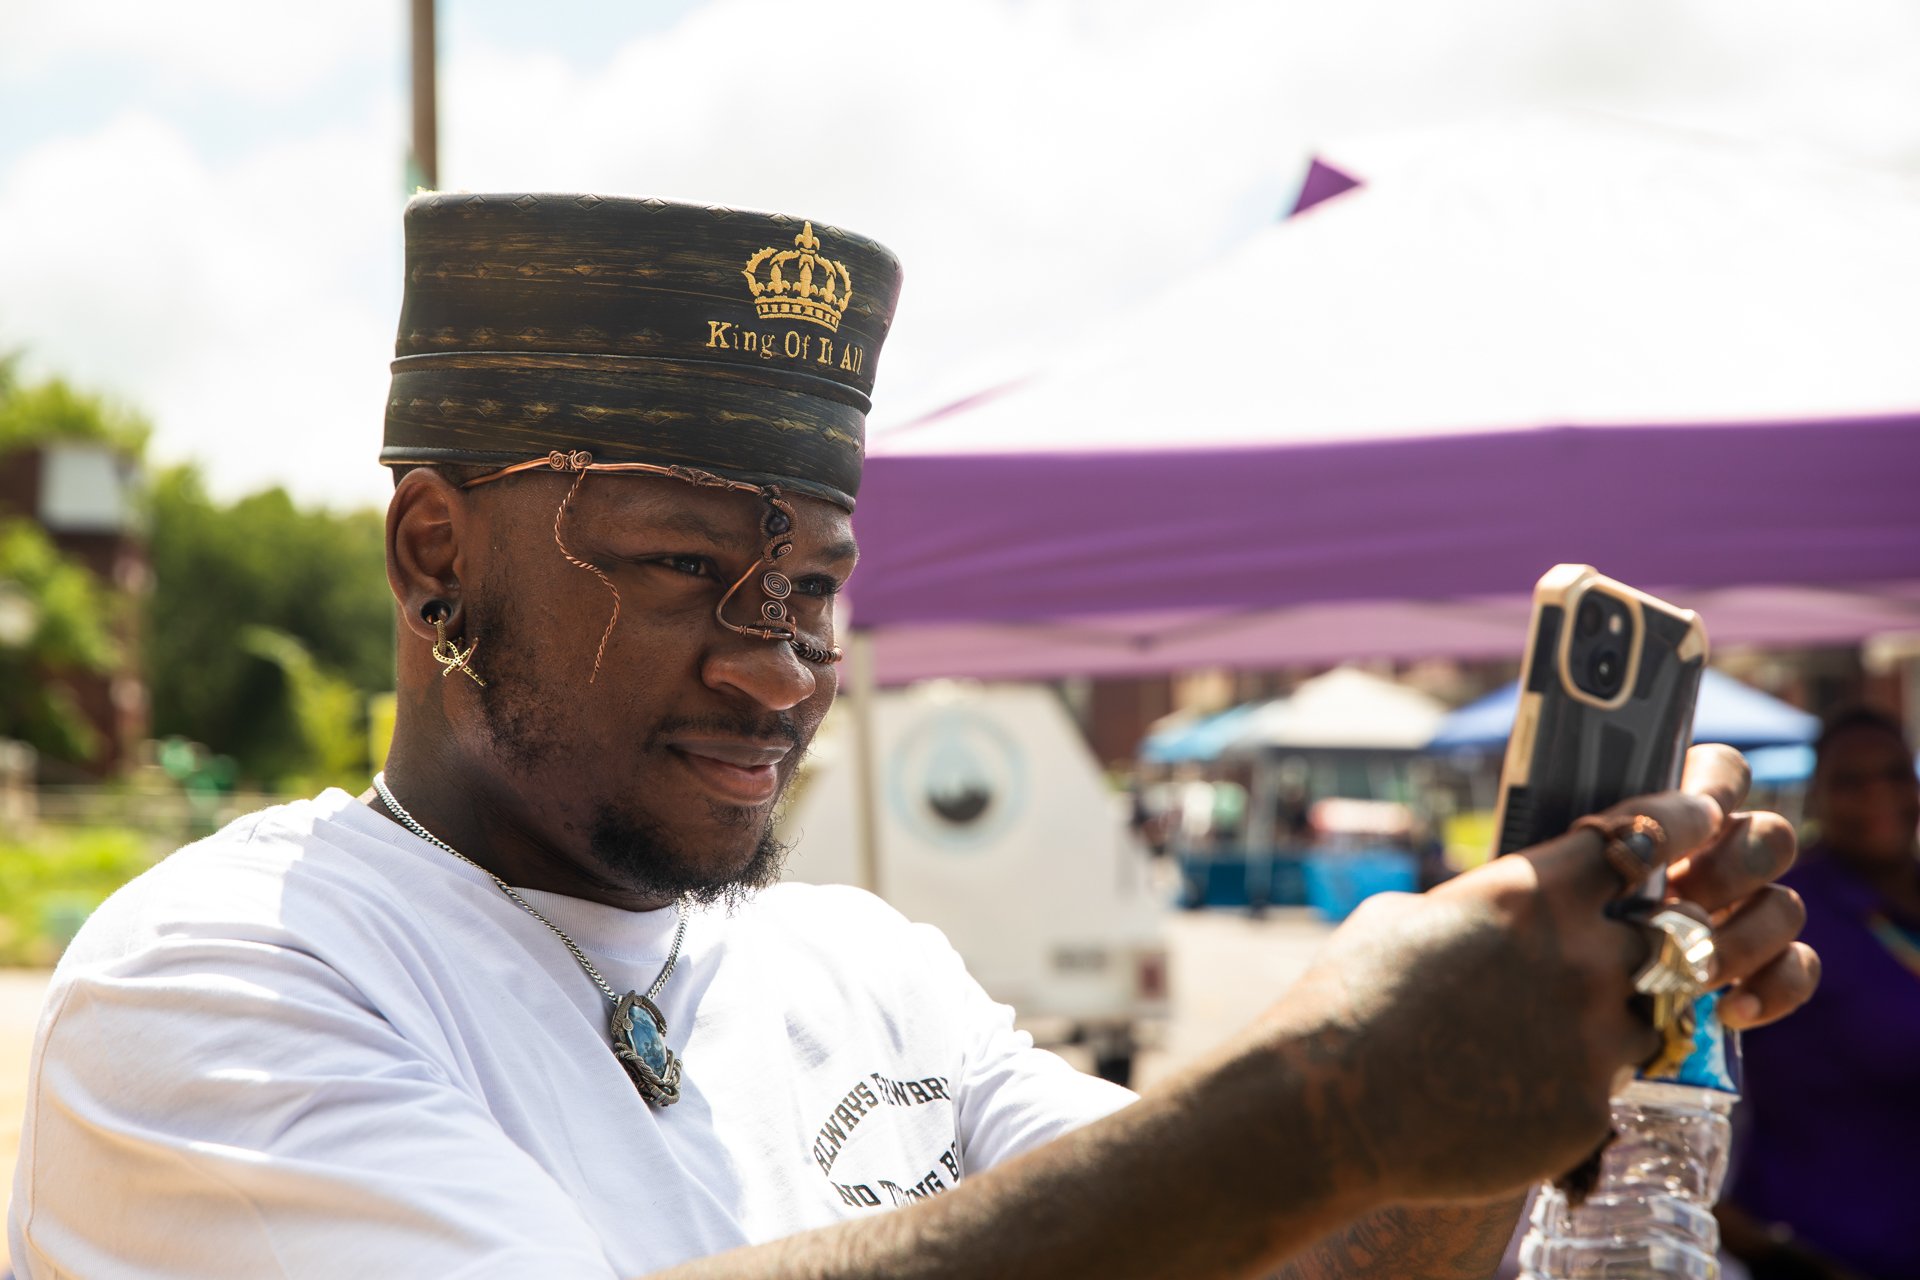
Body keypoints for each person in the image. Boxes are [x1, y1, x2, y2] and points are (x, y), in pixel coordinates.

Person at [9, 193, 1817, 1279]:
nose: (781, 667)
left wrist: (1526, 1035)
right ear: (433, 555)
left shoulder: (860, 969)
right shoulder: (221, 980)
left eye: (815, 593)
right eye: (692, 573)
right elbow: (1264, 1173)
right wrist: (1322, 1100)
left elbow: (1281, 1259)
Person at [1719, 708, 1920, 1280]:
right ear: (1818, 798)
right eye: (1850, 782)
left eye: (1895, 774)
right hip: (1815, 1253)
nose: (1878, 794)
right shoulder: (1780, 916)